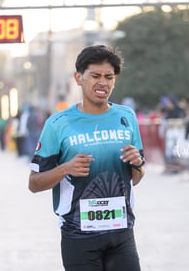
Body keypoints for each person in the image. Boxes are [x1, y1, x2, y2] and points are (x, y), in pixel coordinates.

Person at [28, 45, 145, 271]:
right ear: (78, 78)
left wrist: (137, 164)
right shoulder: (57, 124)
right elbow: (33, 184)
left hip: (122, 233)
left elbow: (136, 178)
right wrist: (65, 169)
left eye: (109, 77)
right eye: (95, 76)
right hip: (78, 236)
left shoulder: (126, 116)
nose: (103, 82)